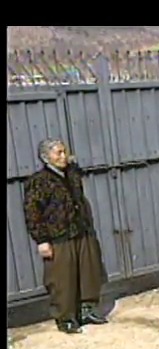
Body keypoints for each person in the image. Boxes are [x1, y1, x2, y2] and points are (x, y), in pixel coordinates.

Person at [23, 138, 108, 334]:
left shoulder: (71, 174)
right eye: (58, 153)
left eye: (64, 152)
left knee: (88, 272)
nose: (63, 156)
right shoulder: (38, 181)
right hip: (58, 236)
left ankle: (87, 310)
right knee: (62, 279)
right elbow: (32, 212)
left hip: (80, 231)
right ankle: (66, 318)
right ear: (46, 157)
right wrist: (42, 240)